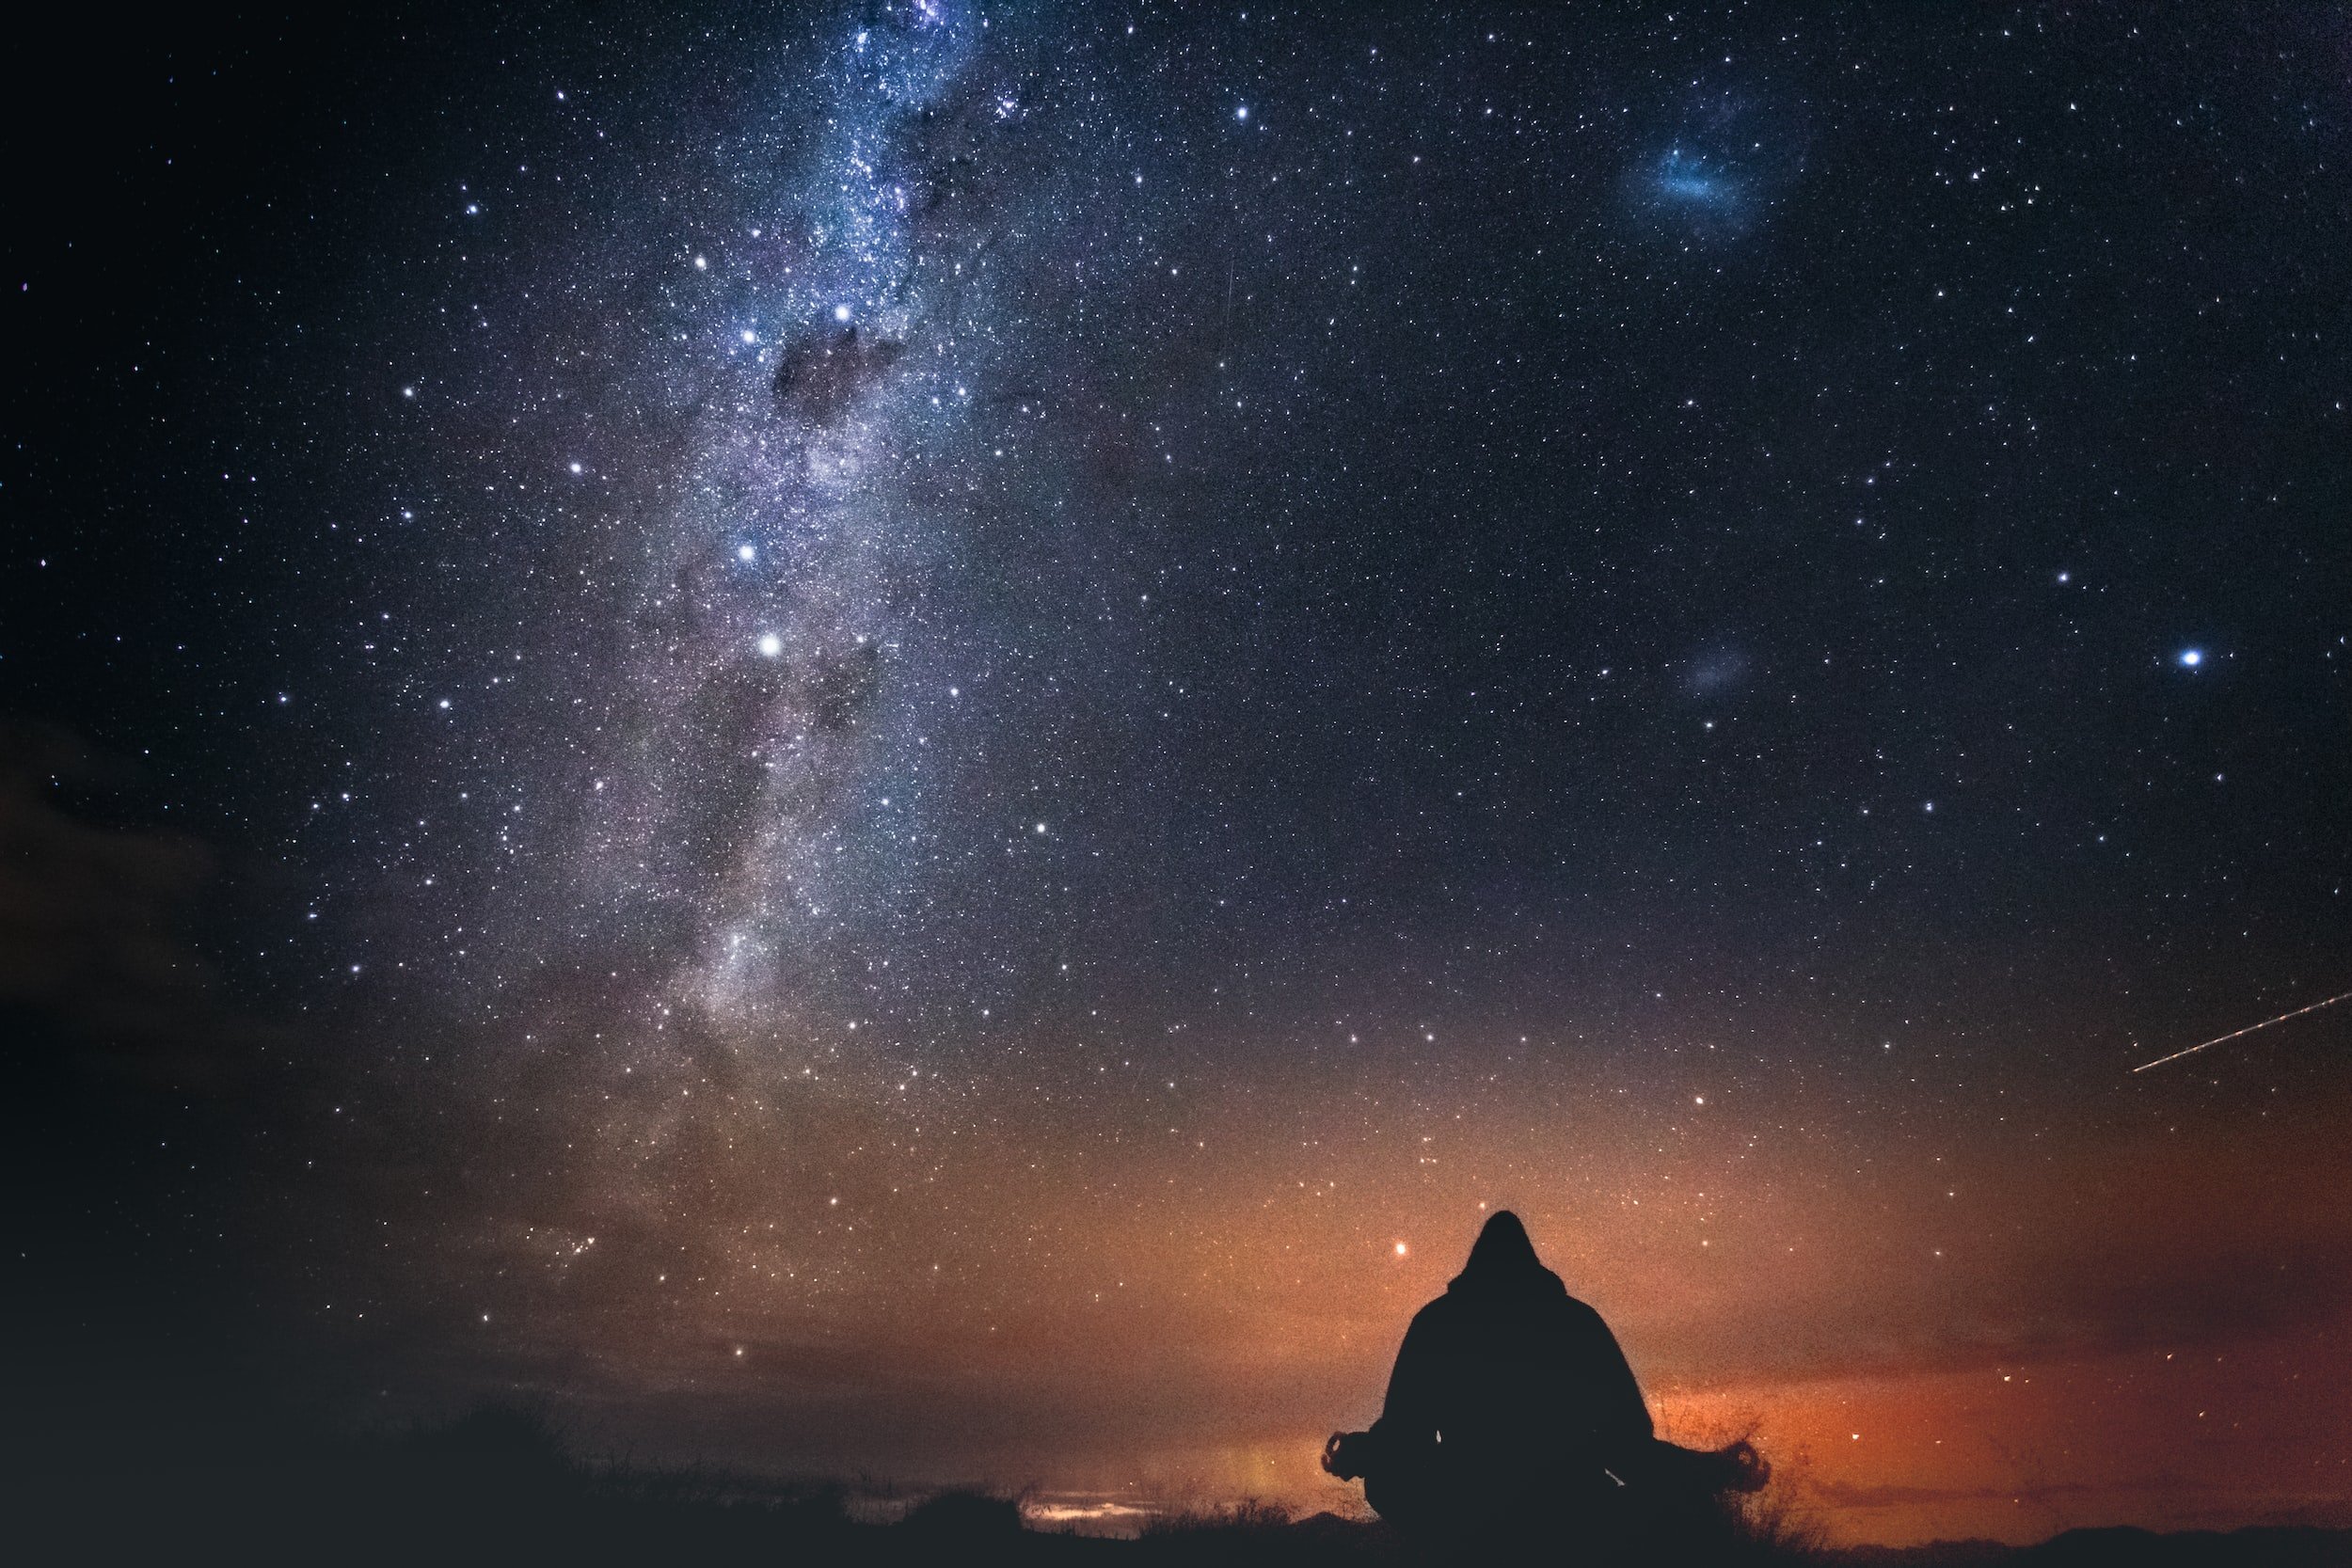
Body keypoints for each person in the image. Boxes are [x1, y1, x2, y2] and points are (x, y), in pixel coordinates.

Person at [1323, 1211, 1763, 1552]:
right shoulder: (1577, 1323)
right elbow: (1627, 1447)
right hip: (1573, 1519)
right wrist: (1710, 1470)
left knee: (1389, 1483)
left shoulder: (1437, 1323)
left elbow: (1406, 1440)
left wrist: (1360, 1454)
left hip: (1466, 1519)